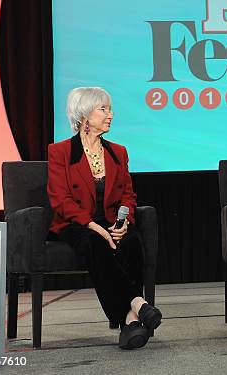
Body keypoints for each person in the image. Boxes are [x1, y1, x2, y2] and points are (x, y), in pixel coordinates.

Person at [47, 87, 162, 349]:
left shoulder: (118, 152)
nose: (110, 115)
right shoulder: (60, 152)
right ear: (85, 115)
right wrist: (95, 227)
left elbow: (128, 195)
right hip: (78, 223)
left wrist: (123, 223)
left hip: (112, 221)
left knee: (131, 242)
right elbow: (60, 199)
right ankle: (137, 304)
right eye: (103, 109)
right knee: (94, 242)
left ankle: (130, 323)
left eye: (109, 109)